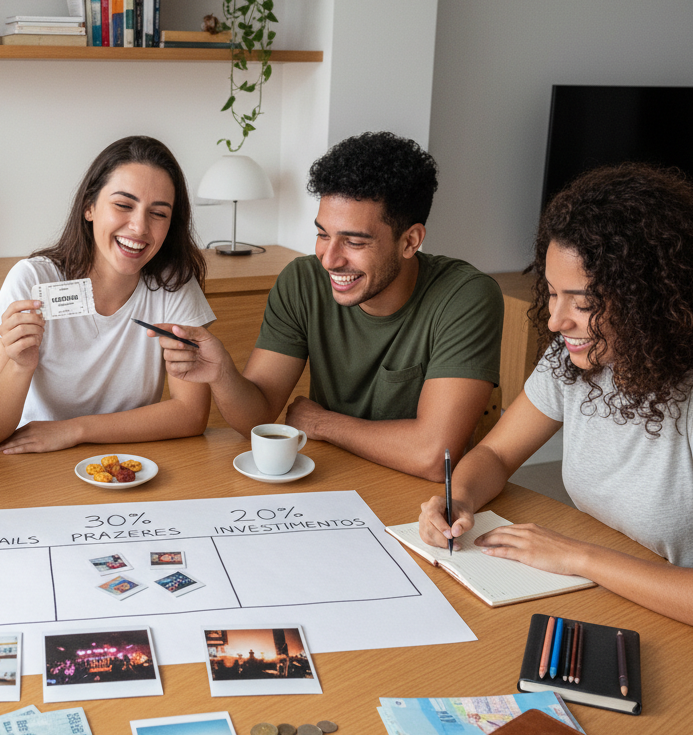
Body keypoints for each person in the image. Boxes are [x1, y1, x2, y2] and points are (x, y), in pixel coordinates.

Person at [418, 163, 693, 626]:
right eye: (550, 293)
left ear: (649, 298)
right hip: (615, 597)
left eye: (583, 303)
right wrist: (460, 498)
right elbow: (496, 452)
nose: (555, 321)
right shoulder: (573, 359)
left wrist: (579, 557)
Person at [155, 132, 503, 481]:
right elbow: (257, 420)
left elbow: (432, 455)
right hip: (331, 481)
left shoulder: (466, 297)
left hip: (421, 503)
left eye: (353, 241)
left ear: (410, 241)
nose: (329, 259)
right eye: (323, 234)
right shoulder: (302, 282)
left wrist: (322, 423)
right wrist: (222, 374)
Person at [0, 136, 213, 453]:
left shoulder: (174, 284)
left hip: (130, 463)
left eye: (158, 213)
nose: (140, 228)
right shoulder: (32, 279)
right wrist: (20, 367)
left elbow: (191, 414)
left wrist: (76, 430)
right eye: (123, 205)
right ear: (90, 206)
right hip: (36, 463)